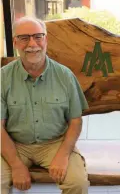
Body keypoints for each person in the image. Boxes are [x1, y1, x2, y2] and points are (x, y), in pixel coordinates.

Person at [1, 17, 89, 194]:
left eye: (38, 36)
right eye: (24, 38)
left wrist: (63, 155)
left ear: (46, 40)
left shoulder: (65, 76)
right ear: (15, 42)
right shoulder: (3, 78)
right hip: (14, 144)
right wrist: (16, 165)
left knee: (77, 183)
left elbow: (75, 121)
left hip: (55, 143)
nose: (32, 43)